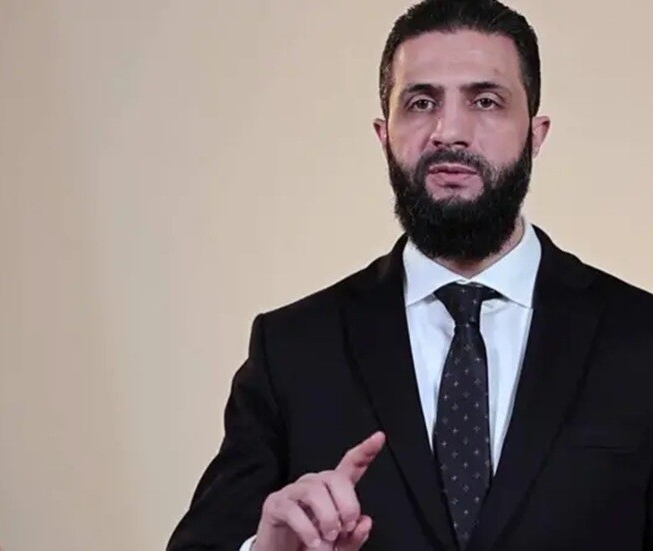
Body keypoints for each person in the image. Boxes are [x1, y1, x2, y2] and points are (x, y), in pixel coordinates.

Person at [167, 1, 653, 549]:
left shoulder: (641, 338)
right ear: (384, 135)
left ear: (536, 134)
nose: (450, 131)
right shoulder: (291, 350)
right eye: (421, 103)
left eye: (486, 101)